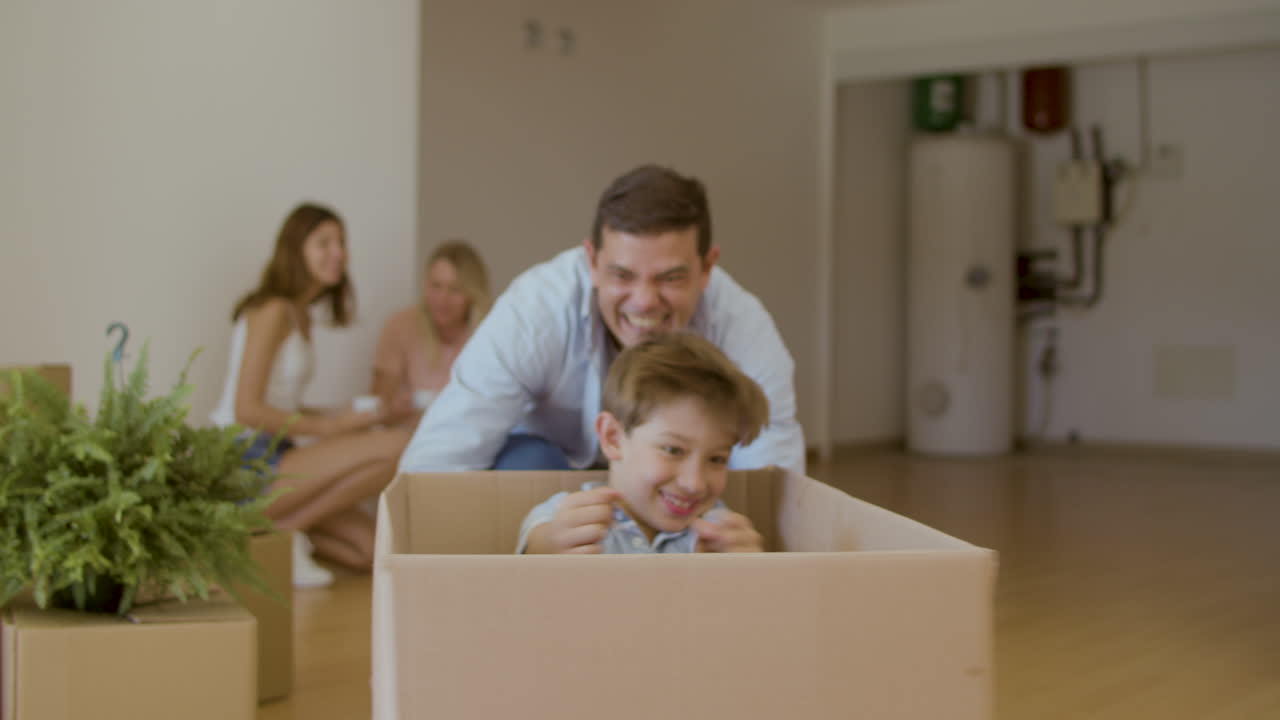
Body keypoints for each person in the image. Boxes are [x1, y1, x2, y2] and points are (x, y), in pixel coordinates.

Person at [398, 164, 805, 474]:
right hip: (553, 473)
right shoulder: (536, 313)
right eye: (622, 275)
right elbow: (442, 456)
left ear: (707, 268)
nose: (644, 302)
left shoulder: (741, 325)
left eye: (670, 278)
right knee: (526, 463)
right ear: (591, 261)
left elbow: (770, 475)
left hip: (682, 487)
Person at [210, 203, 411, 588]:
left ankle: (277, 530)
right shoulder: (272, 311)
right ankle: (273, 530)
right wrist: (332, 428)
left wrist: (348, 415)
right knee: (399, 446)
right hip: (243, 460)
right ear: (295, 248)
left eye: (341, 243)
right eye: (324, 243)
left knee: (372, 552)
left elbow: (282, 405)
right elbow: (246, 409)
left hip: (277, 451)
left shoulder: (299, 314)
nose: (338, 252)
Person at [517, 333, 766, 554]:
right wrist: (550, 545)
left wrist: (751, 569)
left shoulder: (721, 532)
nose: (694, 484)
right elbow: (534, 552)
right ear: (613, 437)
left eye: (717, 459)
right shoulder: (567, 516)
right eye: (673, 450)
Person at [370, 241, 491, 428]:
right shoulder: (401, 326)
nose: (443, 299)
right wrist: (396, 409)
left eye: (455, 289)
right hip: (408, 434)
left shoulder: (487, 335)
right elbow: (377, 407)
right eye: (436, 286)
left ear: (472, 294)